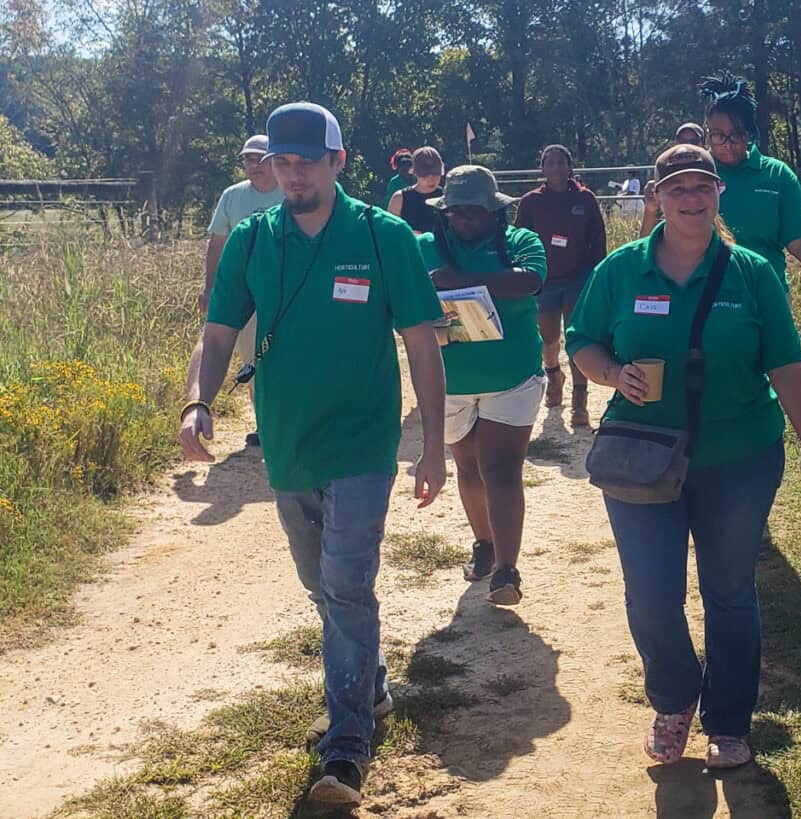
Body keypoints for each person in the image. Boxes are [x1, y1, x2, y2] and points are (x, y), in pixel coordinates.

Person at [179, 102, 446, 808]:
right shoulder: (251, 240)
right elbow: (215, 334)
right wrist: (197, 400)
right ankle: (373, 681)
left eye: (305, 160)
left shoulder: (383, 235)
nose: (290, 174)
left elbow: (422, 341)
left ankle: (347, 744)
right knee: (320, 583)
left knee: (347, 583)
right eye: (281, 162)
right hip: (289, 441)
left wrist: (435, 447)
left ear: (338, 160)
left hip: (362, 440)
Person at [566, 144, 801, 770]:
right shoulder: (621, 270)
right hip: (642, 456)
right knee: (652, 595)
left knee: (730, 592)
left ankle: (730, 721)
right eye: (677, 188)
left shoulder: (751, 273)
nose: (691, 199)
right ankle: (674, 699)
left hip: (739, 455)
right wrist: (612, 372)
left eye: (702, 188)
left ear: (718, 196)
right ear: (658, 196)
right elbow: (582, 340)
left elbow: (787, 364)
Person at [417, 165, 547, 605]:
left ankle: (507, 570)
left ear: (496, 212)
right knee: (468, 468)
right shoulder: (424, 248)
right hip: (449, 381)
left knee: (501, 468)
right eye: (456, 213)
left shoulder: (521, 243)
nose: (465, 221)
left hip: (510, 376)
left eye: (475, 212)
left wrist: (463, 282)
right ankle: (485, 544)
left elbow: (530, 282)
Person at [640, 75, 801, 295]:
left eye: (737, 135)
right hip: (702, 297)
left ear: (750, 133)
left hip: (766, 296)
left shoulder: (776, 175)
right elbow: (650, 246)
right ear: (707, 131)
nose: (728, 144)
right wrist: (650, 210)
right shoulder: (693, 176)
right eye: (719, 136)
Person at [199, 134, 284, 446]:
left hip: (285, 292)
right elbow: (217, 243)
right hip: (244, 293)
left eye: (259, 158)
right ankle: (266, 426)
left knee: (285, 355)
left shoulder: (291, 195)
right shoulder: (232, 197)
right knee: (254, 359)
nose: (253, 165)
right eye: (248, 159)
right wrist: (210, 289)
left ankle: (289, 422)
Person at [514, 144, 606, 426]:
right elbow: (519, 237)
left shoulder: (585, 199)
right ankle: (554, 375)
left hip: (577, 277)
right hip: (544, 279)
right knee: (549, 338)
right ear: (542, 168)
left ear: (570, 167)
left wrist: (594, 273)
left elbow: (598, 239)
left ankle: (580, 400)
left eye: (560, 163)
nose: (555, 168)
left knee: (576, 337)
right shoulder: (531, 201)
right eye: (549, 163)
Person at [388, 146, 444, 234]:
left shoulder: (447, 196)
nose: (431, 179)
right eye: (425, 175)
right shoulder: (399, 199)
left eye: (436, 174)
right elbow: (390, 233)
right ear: (415, 173)